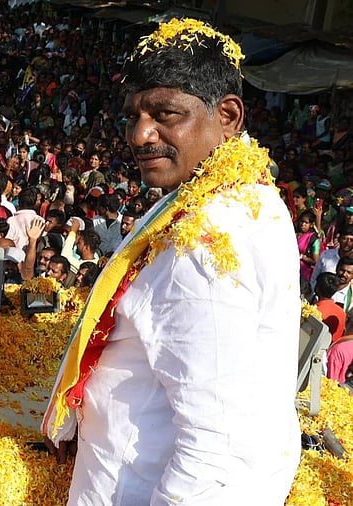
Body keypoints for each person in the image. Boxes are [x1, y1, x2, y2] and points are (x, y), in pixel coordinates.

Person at [41, 19, 300, 504]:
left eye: (165, 114)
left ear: (227, 116)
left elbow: (215, 450)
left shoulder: (207, 238)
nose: (140, 135)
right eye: (133, 115)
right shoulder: (233, 194)